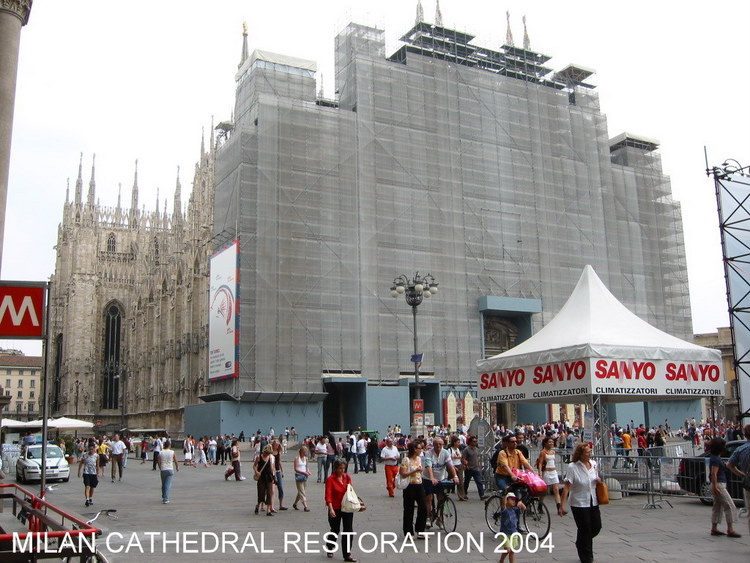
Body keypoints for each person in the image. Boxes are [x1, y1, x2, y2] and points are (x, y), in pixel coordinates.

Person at [558, 443, 602, 563]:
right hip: (579, 502)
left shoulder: (593, 464)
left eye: (590, 451)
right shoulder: (573, 467)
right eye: (587, 452)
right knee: (585, 528)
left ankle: (581, 542)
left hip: (593, 500)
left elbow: (595, 479)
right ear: (581, 454)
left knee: (596, 526)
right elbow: (567, 487)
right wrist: (562, 505)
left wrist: (598, 481)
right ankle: (586, 556)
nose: (590, 454)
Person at [324, 459, 358, 562]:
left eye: (343, 468)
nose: (342, 470)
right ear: (335, 468)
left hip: (347, 507)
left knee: (348, 530)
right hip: (335, 507)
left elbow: (350, 492)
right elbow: (328, 495)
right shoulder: (330, 479)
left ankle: (347, 554)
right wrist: (330, 509)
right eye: (340, 468)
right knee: (335, 529)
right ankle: (330, 546)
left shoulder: (347, 477)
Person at [707, 437, 741, 537]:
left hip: (717, 484)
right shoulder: (716, 459)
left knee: (717, 506)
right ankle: (730, 529)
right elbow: (713, 473)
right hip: (719, 484)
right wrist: (715, 486)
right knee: (729, 505)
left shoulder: (714, 457)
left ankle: (714, 528)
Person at [422, 437, 459, 522]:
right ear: (433, 445)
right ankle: (428, 516)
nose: (438, 446)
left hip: (440, 478)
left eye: (440, 444)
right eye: (436, 444)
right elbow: (429, 466)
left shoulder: (445, 452)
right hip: (428, 478)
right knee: (429, 498)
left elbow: (450, 465)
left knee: (441, 498)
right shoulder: (429, 453)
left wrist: (455, 476)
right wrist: (432, 478)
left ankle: (440, 517)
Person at [399, 441, 427, 538]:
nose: (421, 450)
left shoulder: (419, 459)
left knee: (423, 507)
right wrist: (414, 471)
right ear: (414, 449)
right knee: (409, 509)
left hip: (419, 484)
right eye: (419, 448)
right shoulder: (406, 460)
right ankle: (408, 532)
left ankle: (420, 530)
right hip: (409, 486)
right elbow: (403, 473)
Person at [727, 423, 750, 535]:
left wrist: (741, 474)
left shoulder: (740, 449)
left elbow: (729, 465)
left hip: (748, 482)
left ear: (744, 435)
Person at [498, 492, 526, 563]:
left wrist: (521, 504)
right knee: (507, 550)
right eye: (511, 499)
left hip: (514, 533)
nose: (513, 501)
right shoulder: (504, 511)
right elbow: (503, 505)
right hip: (504, 533)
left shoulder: (515, 510)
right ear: (507, 501)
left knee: (512, 551)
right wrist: (505, 499)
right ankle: (501, 560)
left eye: (514, 500)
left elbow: (524, 508)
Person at [536, 436, 561, 510]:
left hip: (553, 472)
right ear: (545, 443)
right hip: (546, 472)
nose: (551, 443)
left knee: (556, 489)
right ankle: (540, 504)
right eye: (549, 442)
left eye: (552, 442)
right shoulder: (543, 452)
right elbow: (540, 463)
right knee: (545, 491)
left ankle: (559, 507)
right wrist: (540, 473)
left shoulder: (553, 452)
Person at [254, 444, 276, 516]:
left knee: (269, 493)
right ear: (264, 451)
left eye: (269, 453)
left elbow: (272, 468)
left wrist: (273, 477)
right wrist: (256, 471)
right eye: (266, 453)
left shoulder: (270, 458)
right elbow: (254, 466)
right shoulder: (259, 457)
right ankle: (258, 505)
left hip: (269, 477)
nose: (267, 454)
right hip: (261, 477)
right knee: (261, 493)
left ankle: (268, 510)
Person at [461, 435, 485, 499]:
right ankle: (464, 493)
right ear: (470, 442)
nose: (475, 443)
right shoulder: (466, 449)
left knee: (479, 482)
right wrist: (466, 465)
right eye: (474, 441)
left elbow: (478, 458)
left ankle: (482, 495)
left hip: (476, 468)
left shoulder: (477, 449)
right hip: (469, 468)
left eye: (476, 441)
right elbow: (463, 458)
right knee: (466, 482)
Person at [78, 441, 99, 506]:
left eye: (92, 449)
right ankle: (87, 499)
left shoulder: (97, 456)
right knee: (87, 486)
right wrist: (79, 471)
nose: (91, 450)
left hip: (93, 473)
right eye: (90, 449)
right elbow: (81, 463)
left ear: (94, 448)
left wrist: (98, 473)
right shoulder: (85, 455)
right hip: (86, 473)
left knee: (92, 487)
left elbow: (97, 465)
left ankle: (90, 498)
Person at [158, 439, 178, 504]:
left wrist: (160, 468)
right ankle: (165, 499)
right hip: (170, 469)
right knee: (167, 485)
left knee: (163, 484)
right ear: (169, 445)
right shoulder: (172, 452)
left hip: (163, 469)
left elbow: (159, 461)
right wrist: (177, 467)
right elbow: (176, 461)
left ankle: (163, 496)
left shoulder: (161, 452)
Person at [448, 435, 467, 501]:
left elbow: (460, 458)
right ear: (454, 443)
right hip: (452, 466)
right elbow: (449, 460)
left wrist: (463, 463)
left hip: (459, 465)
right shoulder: (450, 450)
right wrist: (453, 467)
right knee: (450, 481)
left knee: (460, 482)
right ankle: (446, 493)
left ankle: (461, 495)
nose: (459, 444)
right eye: (458, 442)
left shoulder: (458, 450)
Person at [293, 445, 312, 511]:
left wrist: (308, 471)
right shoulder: (296, 458)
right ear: (301, 452)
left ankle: (295, 503)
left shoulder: (306, 458)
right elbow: (295, 469)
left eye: (306, 452)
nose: (305, 453)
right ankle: (305, 506)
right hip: (299, 476)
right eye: (304, 452)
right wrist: (303, 472)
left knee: (300, 491)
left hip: (305, 476)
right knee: (302, 491)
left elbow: (306, 467)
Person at [271, 440, 288, 510]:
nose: (277, 446)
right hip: (272, 472)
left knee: (280, 487)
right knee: (270, 489)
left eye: (278, 445)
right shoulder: (270, 452)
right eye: (276, 445)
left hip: (278, 471)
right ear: (273, 445)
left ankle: (281, 504)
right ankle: (268, 505)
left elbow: (279, 461)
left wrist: (282, 471)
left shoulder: (278, 452)